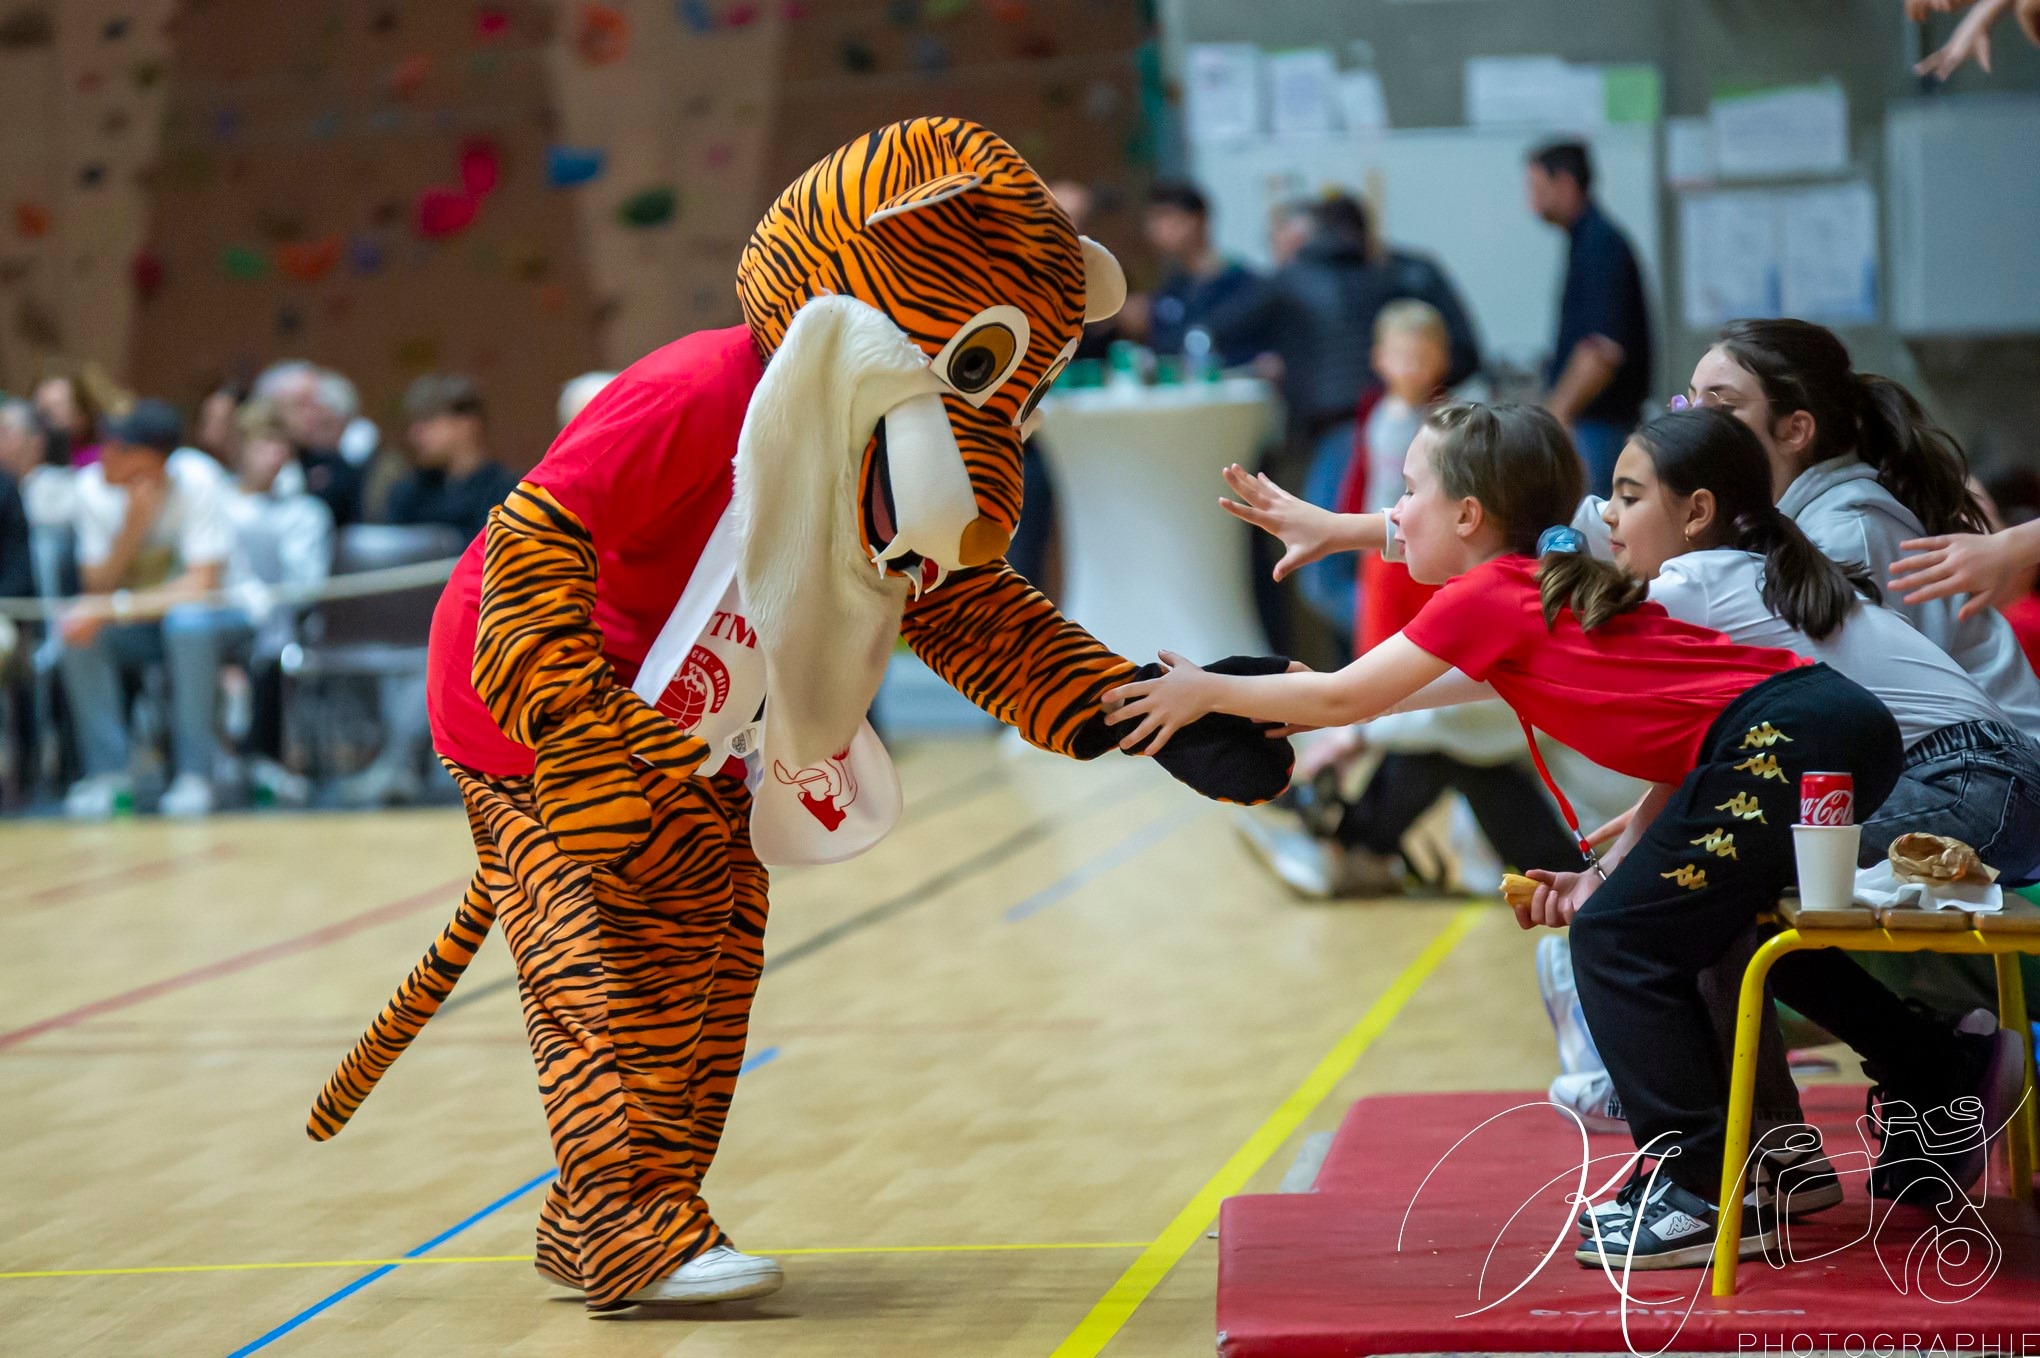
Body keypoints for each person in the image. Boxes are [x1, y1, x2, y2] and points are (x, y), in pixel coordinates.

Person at [305, 119, 1289, 1314]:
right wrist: (582, 734)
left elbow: (968, 609)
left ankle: (597, 1216)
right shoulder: (700, 386)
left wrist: (1140, 712)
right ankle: (626, 1225)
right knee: (610, 952)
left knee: (712, 949)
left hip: (705, 721)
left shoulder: (884, 442)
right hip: (537, 707)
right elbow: (529, 548)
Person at [1108, 401, 2023, 1270]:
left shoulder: (1489, 594)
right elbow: (1374, 692)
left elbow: (1345, 697)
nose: (1396, 510)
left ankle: (1705, 1189)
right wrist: (1619, 865)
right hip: (1813, 726)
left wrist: (1209, 692)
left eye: (1409, 490)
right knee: (1711, 927)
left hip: (1792, 733)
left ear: (1469, 514)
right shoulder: (1530, 586)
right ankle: (1907, 1075)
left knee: (1619, 942)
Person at [1547, 407, 2040, 1181]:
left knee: (1699, 898)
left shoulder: (1697, 581)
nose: (1608, 515)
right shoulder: (1749, 573)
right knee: (1724, 899)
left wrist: (1343, 698)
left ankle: (1778, 1148)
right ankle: (1920, 1069)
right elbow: (1693, 771)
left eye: (1629, 495)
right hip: (1985, 781)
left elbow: (1528, 652)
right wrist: (1608, 871)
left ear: (1698, 511)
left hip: (1973, 781)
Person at [1684, 318, 2040, 736]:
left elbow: (1834, 720)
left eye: (1722, 405)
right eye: (1687, 403)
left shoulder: (1846, 534)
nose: (1694, 423)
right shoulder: (1802, 518)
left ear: (1795, 429)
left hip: (1997, 774)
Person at [1260, 195, 1483, 647]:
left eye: (1421, 357)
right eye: (1402, 357)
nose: (1411, 367)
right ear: (1379, 359)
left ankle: (1408, 646)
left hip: (1401, 538)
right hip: (1392, 541)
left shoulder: (1432, 422)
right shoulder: (1379, 409)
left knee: (1340, 588)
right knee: (1363, 604)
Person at [57, 399, 240, 818]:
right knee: (76, 629)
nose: (105, 454)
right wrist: (133, 527)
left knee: (187, 624)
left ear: (153, 458)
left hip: (224, 616)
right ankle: (110, 776)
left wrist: (115, 608)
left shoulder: (199, 479)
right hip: (144, 623)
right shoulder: (89, 488)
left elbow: (202, 583)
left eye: (119, 448)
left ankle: (195, 775)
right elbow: (95, 585)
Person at [1527, 141, 1653, 497]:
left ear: (1565, 184)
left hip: (1598, 427)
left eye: (1537, 189)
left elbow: (1601, 348)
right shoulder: (1585, 242)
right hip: (1592, 425)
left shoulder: (1601, 245)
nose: (1531, 203)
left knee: (1593, 535)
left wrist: (1557, 414)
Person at [223, 399, 333, 806]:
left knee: (273, 651)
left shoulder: (305, 512)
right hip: (223, 622)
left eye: (280, 445)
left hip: (281, 628)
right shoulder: (220, 504)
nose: (274, 455)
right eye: (262, 444)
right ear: (240, 448)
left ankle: (265, 756)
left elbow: (306, 585)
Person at [1133, 179, 1274, 369]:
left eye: (1163, 217)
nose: (1153, 228)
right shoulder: (1170, 290)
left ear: (1196, 220)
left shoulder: (1244, 283)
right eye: (1150, 220)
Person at [386, 374, 515, 542]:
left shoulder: (504, 492)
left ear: (467, 423)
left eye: (429, 419)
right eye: (414, 422)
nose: (415, 432)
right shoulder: (408, 493)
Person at [258, 360, 364, 528]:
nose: (314, 415)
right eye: (302, 404)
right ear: (270, 409)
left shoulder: (337, 470)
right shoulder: (243, 463)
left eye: (316, 404)